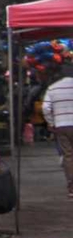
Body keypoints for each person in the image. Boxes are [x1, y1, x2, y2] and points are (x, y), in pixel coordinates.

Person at [43, 64, 73, 199]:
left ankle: (72, 187)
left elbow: (46, 108)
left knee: (68, 156)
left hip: (61, 125)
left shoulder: (53, 88)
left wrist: (51, 122)